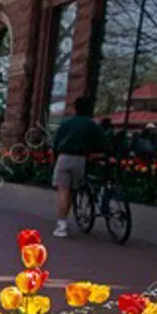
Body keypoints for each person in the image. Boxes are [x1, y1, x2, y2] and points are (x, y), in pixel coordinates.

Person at [51, 96, 106, 238]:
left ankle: (61, 225)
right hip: (81, 159)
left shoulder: (66, 123)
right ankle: (65, 220)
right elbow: (102, 143)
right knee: (73, 191)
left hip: (64, 157)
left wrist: (55, 158)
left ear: (75, 108)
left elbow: (55, 143)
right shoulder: (92, 125)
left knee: (63, 191)